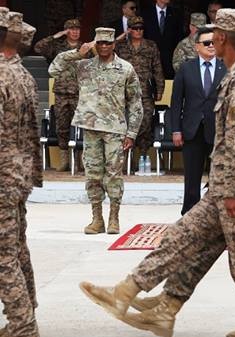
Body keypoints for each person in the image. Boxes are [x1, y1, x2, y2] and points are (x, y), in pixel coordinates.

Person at [79, 9, 235, 337]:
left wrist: (232, 191)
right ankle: (150, 300)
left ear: (224, 39)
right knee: (186, 239)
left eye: (216, 34)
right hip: (228, 187)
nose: (213, 39)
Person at [50, 28, 142, 234]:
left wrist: (132, 133)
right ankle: (97, 218)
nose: (104, 46)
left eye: (108, 43)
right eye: (100, 43)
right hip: (91, 128)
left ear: (114, 44)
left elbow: (136, 103)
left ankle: (114, 217)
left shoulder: (125, 68)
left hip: (115, 130)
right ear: (94, 44)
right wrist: (77, 53)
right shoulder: (83, 66)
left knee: (114, 174)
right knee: (92, 174)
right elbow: (54, 69)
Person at [0, 9, 44, 337]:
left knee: (2, 257)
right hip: (17, 174)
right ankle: (25, 320)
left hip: (2, 176)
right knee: (16, 250)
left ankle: (24, 336)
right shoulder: (22, 74)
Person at [169, 26, 225, 214]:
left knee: (219, 176)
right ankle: (189, 214)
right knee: (192, 176)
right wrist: (176, 130)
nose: (211, 46)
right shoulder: (186, 68)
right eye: (207, 43)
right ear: (197, 46)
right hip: (192, 130)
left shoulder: (226, 68)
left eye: (214, 42)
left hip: (218, 131)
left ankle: (215, 214)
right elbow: (176, 102)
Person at [115, 16, 165, 169]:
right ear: (129, 29)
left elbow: (157, 68)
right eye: (135, 28)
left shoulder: (150, 46)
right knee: (124, 124)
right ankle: (126, 159)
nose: (138, 31)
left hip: (145, 92)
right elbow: (105, 50)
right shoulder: (121, 46)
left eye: (141, 28)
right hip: (125, 92)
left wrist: (160, 89)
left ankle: (142, 156)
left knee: (145, 123)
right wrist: (120, 37)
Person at [36, 19, 84, 170]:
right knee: (61, 127)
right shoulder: (58, 47)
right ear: (66, 31)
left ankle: (79, 160)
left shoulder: (84, 48)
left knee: (81, 126)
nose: (75, 31)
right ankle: (65, 160)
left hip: (79, 92)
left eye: (77, 29)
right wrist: (55, 36)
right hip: (61, 92)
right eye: (71, 29)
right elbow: (38, 48)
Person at [143, 0, 185, 79]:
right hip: (151, 58)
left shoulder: (176, 13)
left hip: (170, 58)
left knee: (169, 83)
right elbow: (144, 35)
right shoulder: (146, 14)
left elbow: (179, 35)